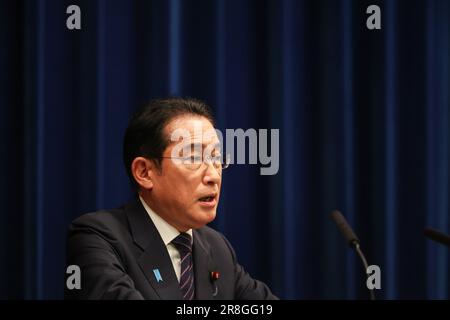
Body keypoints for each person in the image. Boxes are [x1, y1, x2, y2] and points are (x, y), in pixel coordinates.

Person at [65, 97, 278, 300]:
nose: (213, 175)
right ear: (144, 172)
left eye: (216, 158)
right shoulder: (97, 238)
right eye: (193, 157)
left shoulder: (217, 248)